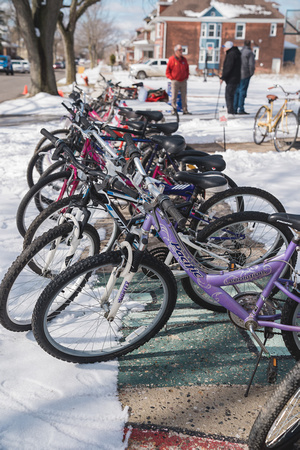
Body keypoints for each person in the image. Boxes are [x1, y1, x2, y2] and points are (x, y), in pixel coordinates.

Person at [166, 44, 191, 114]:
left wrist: (186, 77)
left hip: (183, 81)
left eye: (182, 50)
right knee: (174, 96)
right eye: (180, 50)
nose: (181, 52)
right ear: (176, 51)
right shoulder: (172, 59)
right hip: (175, 81)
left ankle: (185, 110)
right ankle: (173, 110)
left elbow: (187, 69)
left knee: (184, 96)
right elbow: (167, 71)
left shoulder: (184, 60)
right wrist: (171, 78)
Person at [233, 40, 255, 115]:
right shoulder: (249, 53)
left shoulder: (240, 52)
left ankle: (234, 108)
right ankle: (241, 108)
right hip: (245, 74)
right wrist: (251, 73)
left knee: (236, 91)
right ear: (250, 44)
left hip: (237, 74)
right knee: (242, 91)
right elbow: (251, 65)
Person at [220, 41, 241, 115]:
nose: (223, 49)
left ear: (228, 47)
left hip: (232, 78)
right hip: (235, 78)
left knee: (229, 95)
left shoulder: (231, 55)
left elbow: (228, 67)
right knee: (231, 94)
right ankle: (231, 110)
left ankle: (230, 111)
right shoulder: (235, 53)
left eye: (224, 47)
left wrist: (223, 77)